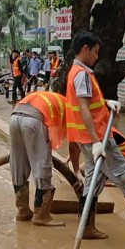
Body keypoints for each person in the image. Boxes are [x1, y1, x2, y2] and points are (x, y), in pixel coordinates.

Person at [65, 31, 125, 240]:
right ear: (85, 49)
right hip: (97, 139)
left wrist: (106, 103)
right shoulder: (82, 75)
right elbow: (84, 108)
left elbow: (89, 103)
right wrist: (97, 142)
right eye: (95, 52)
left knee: (92, 182)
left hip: (88, 138)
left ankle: (86, 228)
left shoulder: (79, 72)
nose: (97, 56)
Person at [10, 80, 80, 227]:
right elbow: (74, 144)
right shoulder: (69, 105)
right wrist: (77, 171)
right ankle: (41, 215)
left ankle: (22, 211)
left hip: (14, 118)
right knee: (42, 164)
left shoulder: (47, 96)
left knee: (18, 164)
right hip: (34, 121)